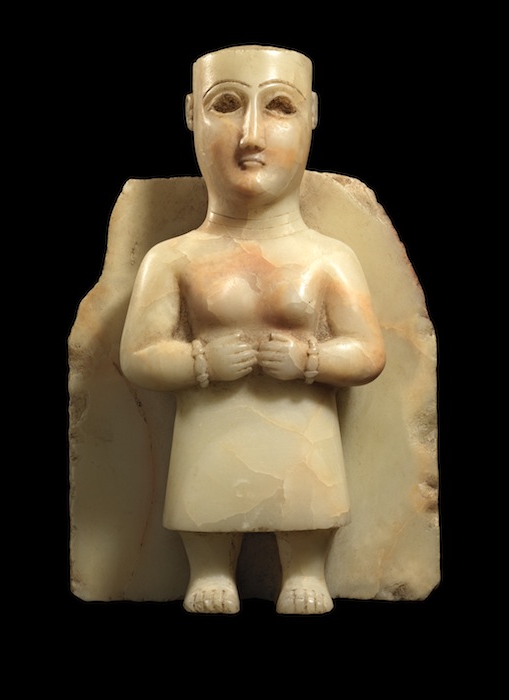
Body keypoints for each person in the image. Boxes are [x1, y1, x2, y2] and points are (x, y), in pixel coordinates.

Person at [120, 45, 386, 614]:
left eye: (280, 106)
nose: (251, 136)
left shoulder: (328, 257)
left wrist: (310, 361)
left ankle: (306, 569)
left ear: (312, 116)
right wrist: (201, 363)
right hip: (211, 428)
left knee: (307, 489)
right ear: (191, 114)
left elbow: (368, 352)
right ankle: (209, 569)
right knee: (207, 487)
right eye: (226, 105)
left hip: (302, 430)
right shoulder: (172, 258)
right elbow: (139, 355)